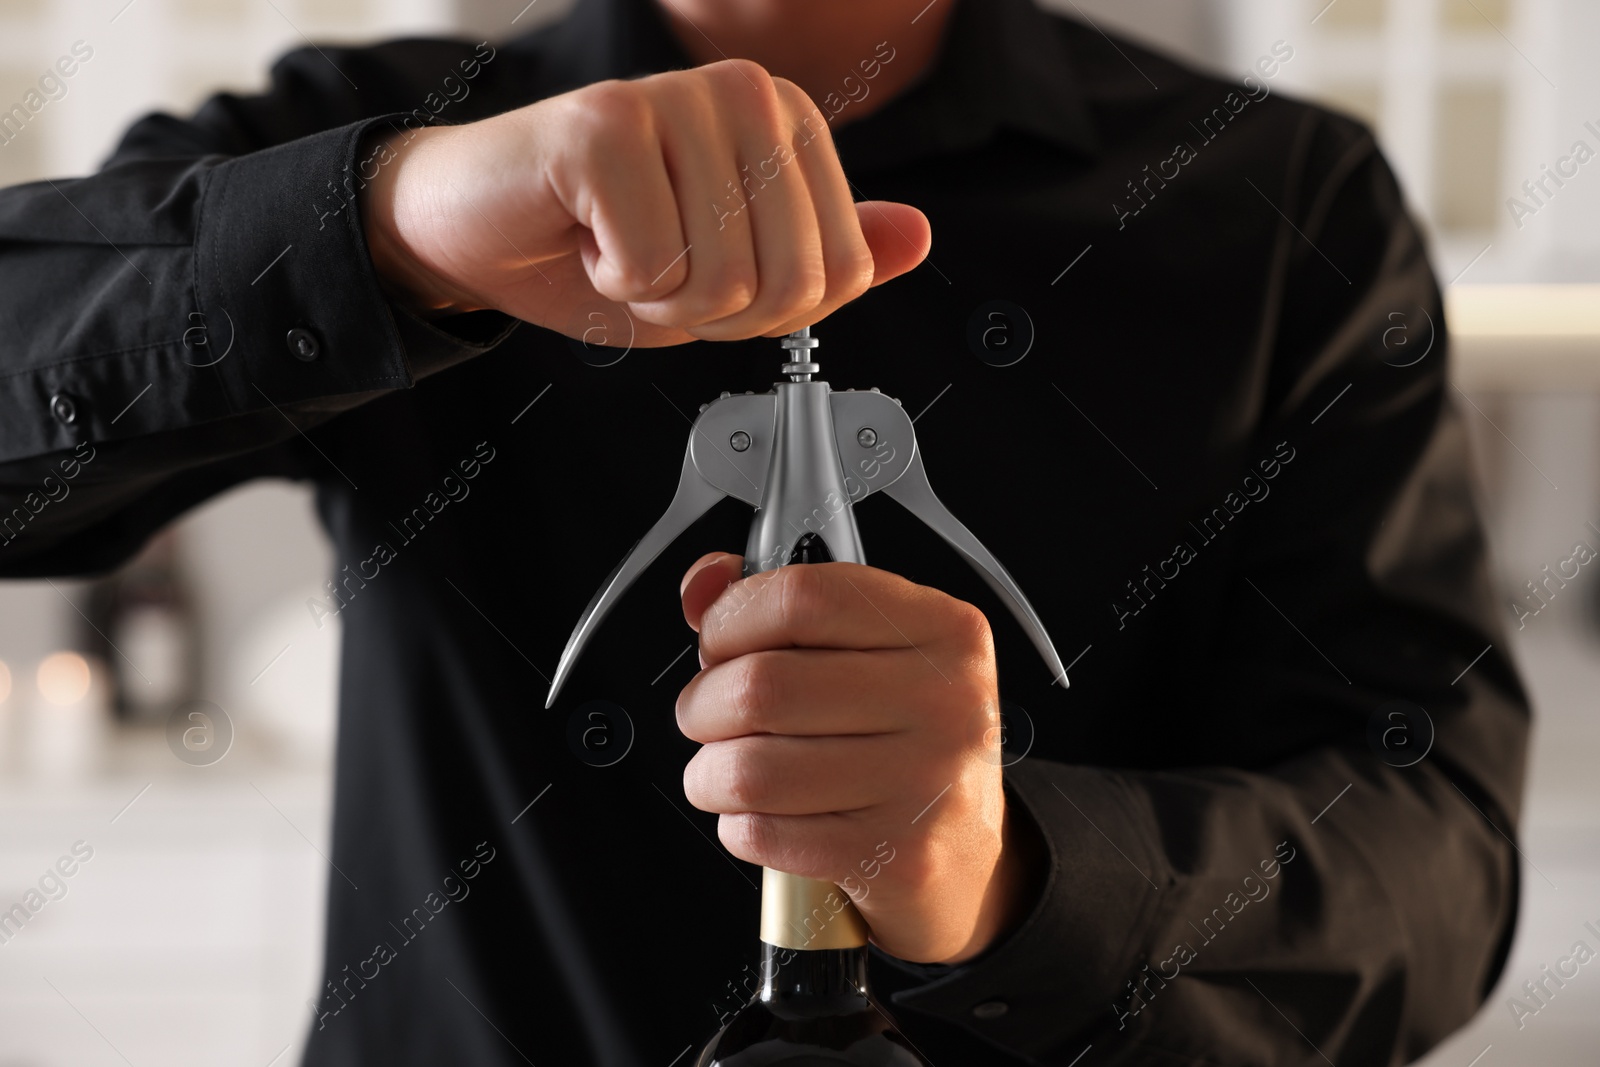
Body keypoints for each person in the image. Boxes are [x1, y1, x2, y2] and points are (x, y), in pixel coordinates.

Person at [0, 0, 1529, 1063]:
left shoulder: (1279, 205)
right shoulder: (375, 141)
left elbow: (1437, 861)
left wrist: (1010, 873)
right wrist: (381, 233)